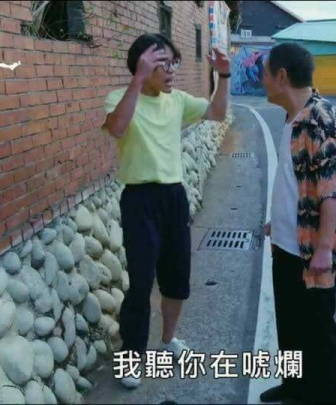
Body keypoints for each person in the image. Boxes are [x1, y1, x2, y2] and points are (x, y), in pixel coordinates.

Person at [102, 33, 231, 389]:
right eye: (164, 63)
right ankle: (132, 356)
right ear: (143, 65)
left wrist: (223, 75)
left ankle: (168, 339)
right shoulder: (119, 98)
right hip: (140, 200)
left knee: (176, 277)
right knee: (141, 282)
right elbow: (117, 128)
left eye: (174, 62)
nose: (172, 70)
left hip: (174, 196)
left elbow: (218, 112)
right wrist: (138, 81)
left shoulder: (177, 101)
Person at [259, 42, 336, 404]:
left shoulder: (320, 119)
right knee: (290, 324)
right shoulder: (292, 117)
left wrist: (325, 248)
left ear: (281, 77)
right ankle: (294, 387)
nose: (262, 80)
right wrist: (278, 222)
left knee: (318, 335)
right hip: (286, 243)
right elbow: (294, 180)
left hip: (313, 250)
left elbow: (333, 191)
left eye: (265, 73)